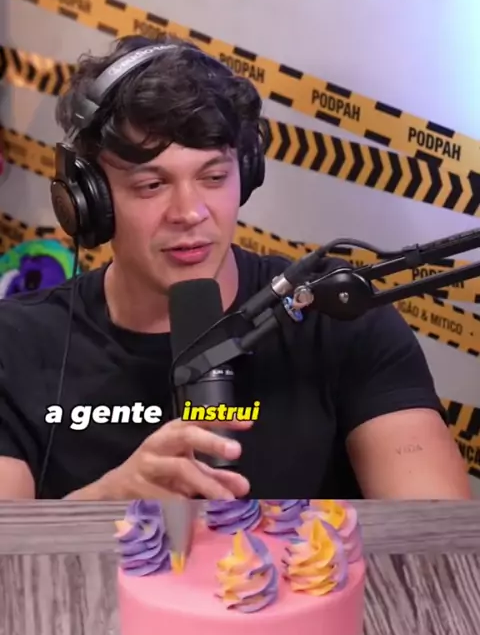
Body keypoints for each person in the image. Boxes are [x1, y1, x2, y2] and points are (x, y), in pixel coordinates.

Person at [0, 34, 472, 500]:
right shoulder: (16, 343)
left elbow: (434, 529)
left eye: (213, 177)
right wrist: (104, 505)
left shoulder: (337, 314)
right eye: (151, 185)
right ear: (88, 201)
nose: (189, 213)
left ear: (245, 175)